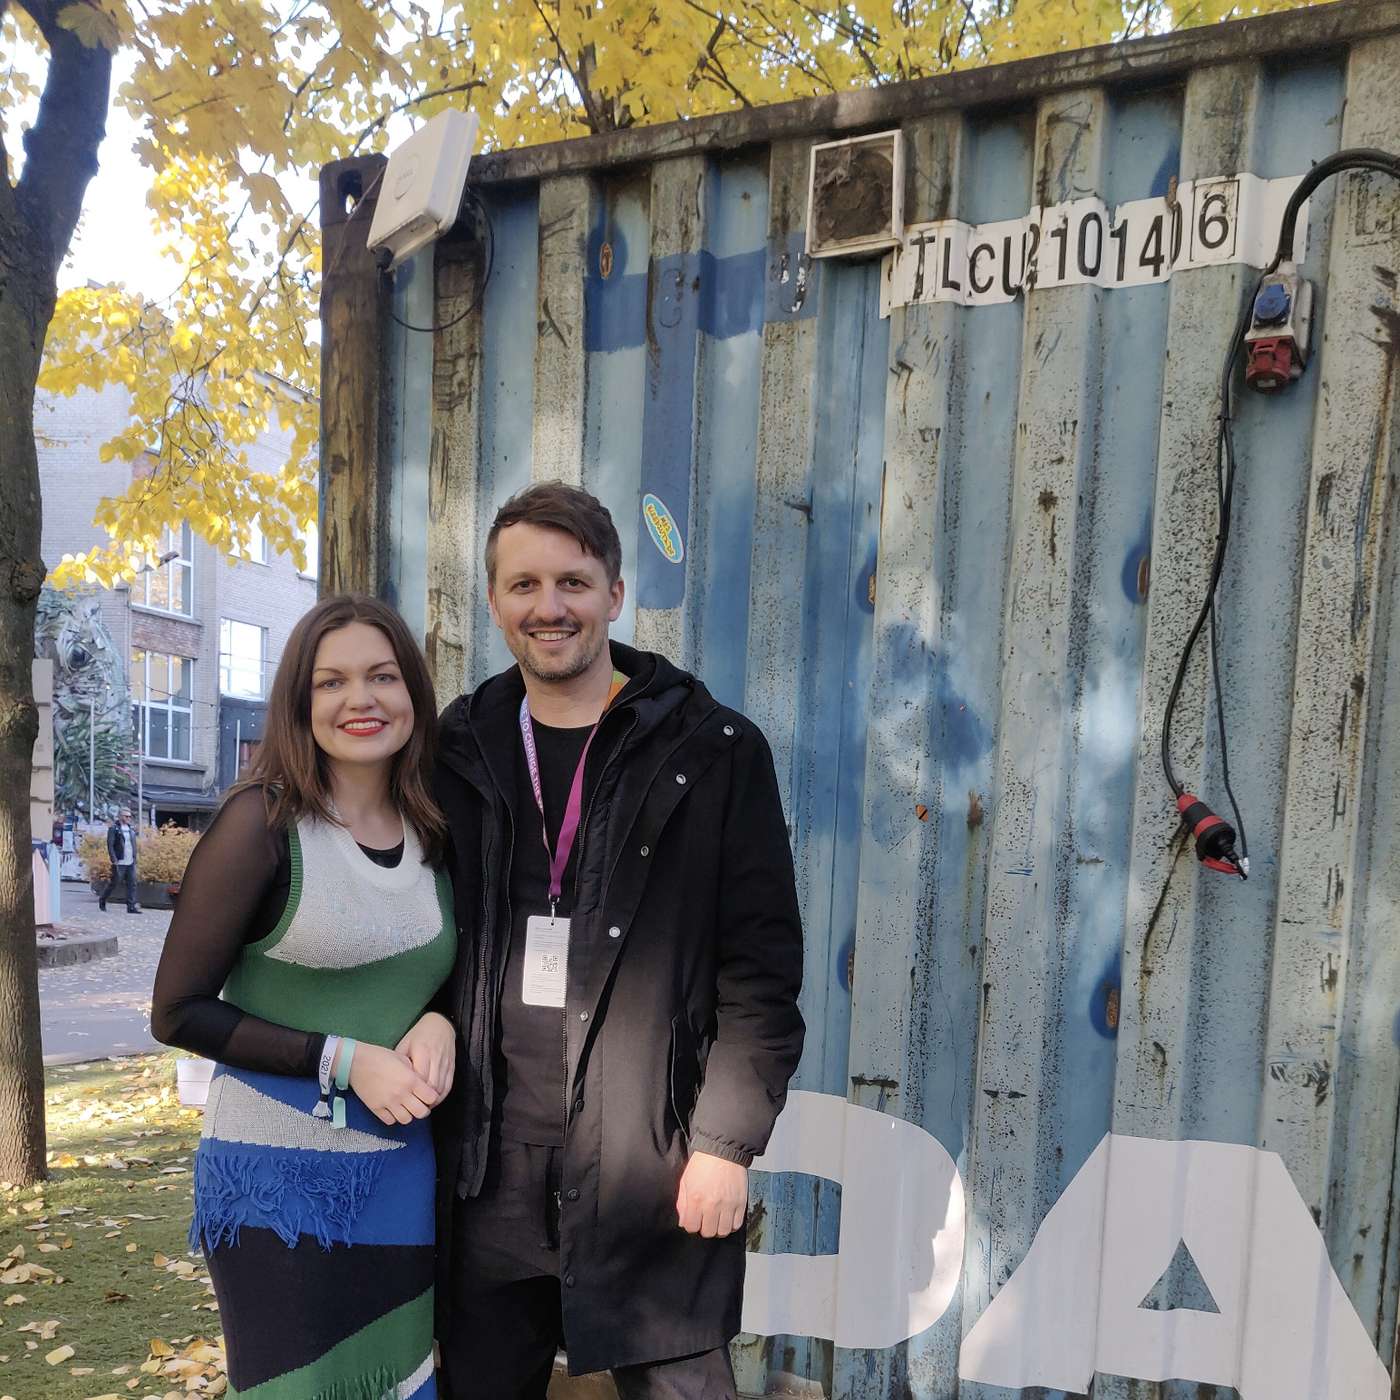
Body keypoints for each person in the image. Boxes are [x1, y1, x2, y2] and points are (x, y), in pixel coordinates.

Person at [434, 481, 805, 1399]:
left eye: (573, 582)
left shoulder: (713, 749)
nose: (548, 606)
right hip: (487, 1171)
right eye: (523, 585)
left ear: (615, 593)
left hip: (652, 1165)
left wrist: (724, 1145)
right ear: (495, 602)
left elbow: (760, 969)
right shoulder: (457, 746)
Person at [151, 594, 457, 1400]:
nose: (361, 699)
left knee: (396, 1382)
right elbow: (177, 1011)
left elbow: (433, 970)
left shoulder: (432, 824)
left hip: (398, 1169)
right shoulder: (261, 824)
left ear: (412, 692)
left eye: (382, 676)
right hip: (277, 1184)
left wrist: (442, 1019)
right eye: (332, 682)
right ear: (300, 702)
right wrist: (342, 1060)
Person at [99, 807, 138, 911]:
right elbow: (110, 845)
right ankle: (102, 899)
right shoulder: (114, 829)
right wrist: (114, 859)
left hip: (130, 860)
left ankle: (131, 906)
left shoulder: (131, 830)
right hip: (119, 860)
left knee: (132, 883)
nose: (128, 818)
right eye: (126, 816)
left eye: (130, 816)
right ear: (120, 816)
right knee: (114, 883)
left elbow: (133, 845)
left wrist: (135, 857)